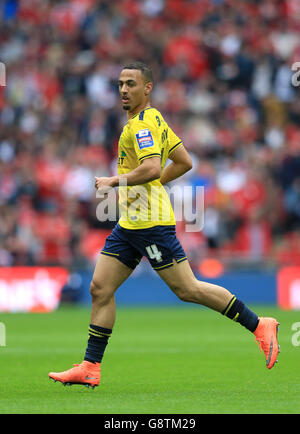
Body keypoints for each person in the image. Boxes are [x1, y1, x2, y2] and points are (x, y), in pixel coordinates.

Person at [48, 62, 279, 389]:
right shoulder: (154, 119)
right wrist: (148, 185)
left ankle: (259, 325)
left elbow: (153, 166)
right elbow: (184, 162)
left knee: (188, 289)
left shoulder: (142, 125)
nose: (124, 90)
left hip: (150, 224)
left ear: (148, 88)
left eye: (131, 84)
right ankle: (90, 366)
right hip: (130, 224)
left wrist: (116, 181)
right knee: (100, 287)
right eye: (120, 84)